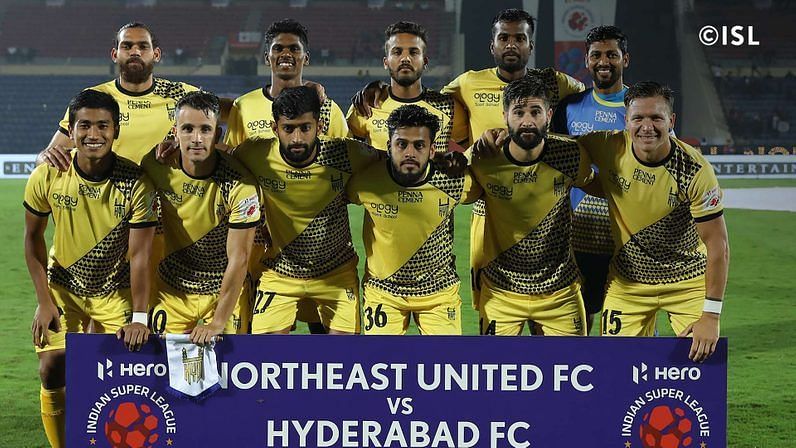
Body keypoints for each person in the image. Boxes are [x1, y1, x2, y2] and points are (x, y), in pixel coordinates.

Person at [24, 90, 157, 448]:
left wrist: (140, 318)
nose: (93, 134)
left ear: (116, 131)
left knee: (124, 373)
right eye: (84, 125)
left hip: (115, 291)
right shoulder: (48, 175)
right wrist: (44, 300)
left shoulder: (137, 183)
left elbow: (141, 256)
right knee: (51, 368)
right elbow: (32, 240)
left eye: (102, 125)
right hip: (62, 286)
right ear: (71, 129)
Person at [577, 82, 729, 362]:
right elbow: (553, 148)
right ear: (626, 121)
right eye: (638, 118)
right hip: (628, 284)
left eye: (656, 118)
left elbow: (717, 244)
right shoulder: (607, 145)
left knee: (703, 361)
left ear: (671, 121)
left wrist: (710, 314)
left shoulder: (695, 169)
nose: (647, 126)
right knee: (614, 367)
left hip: (686, 283)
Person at [224, 19, 347, 333]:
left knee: (327, 342)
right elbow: (235, 170)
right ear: (267, 57)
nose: (286, 54)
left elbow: (344, 168)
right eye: (278, 48)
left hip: (319, 251)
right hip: (260, 245)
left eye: (295, 48)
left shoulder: (328, 110)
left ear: (307, 57)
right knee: (263, 341)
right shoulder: (245, 106)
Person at [232, 86, 382, 335]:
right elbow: (217, 162)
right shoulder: (256, 153)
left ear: (320, 127)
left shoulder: (344, 154)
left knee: (342, 363)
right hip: (280, 272)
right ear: (274, 128)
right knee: (264, 361)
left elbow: (396, 162)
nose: (297, 138)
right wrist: (175, 150)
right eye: (288, 129)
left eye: (305, 128)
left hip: (336, 273)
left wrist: (445, 163)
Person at [470, 77, 595, 336]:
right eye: (518, 112)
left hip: (560, 293)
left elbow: (597, 184)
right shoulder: (484, 158)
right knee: (497, 374)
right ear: (505, 116)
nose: (527, 121)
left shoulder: (570, 155)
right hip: (501, 292)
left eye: (535, 112)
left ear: (548, 115)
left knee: (572, 373)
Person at [347, 105, 480, 335]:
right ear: (389, 146)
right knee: (380, 366)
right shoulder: (365, 181)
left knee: (444, 368)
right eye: (402, 144)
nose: (410, 152)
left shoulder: (455, 181)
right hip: (383, 290)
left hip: (439, 293)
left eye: (419, 145)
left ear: (432, 151)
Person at [141, 91, 260, 342]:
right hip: (172, 288)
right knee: (157, 368)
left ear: (217, 135)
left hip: (225, 290)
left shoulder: (240, 184)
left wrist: (218, 322)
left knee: (231, 373)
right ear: (175, 132)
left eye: (205, 130)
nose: (196, 139)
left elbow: (240, 259)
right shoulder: (156, 166)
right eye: (187, 129)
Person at [551, 25, 630, 333]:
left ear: (626, 59)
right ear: (586, 60)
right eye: (596, 55)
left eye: (612, 54)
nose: (604, 62)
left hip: (624, 238)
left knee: (624, 331)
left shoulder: (641, 108)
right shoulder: (569, 107)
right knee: (576, 327)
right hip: (577, 237)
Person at [38, 22, 198, 168]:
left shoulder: (181, 94)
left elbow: (221, 111)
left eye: (143, 46)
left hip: (166, 197)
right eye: (127, 46)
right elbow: (45, 158)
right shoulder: (93, 97)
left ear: (156, 55)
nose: (135, 52)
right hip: (111, 196)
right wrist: (45, 157)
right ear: (114, 55)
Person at [346, 21, 467, 152]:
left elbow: (467, 156)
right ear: (386, 62)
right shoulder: (366, 105)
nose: (405, 59)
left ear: (425, 61)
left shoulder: (448, 107)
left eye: (413, 52)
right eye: (397, 52)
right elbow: (351, 157)